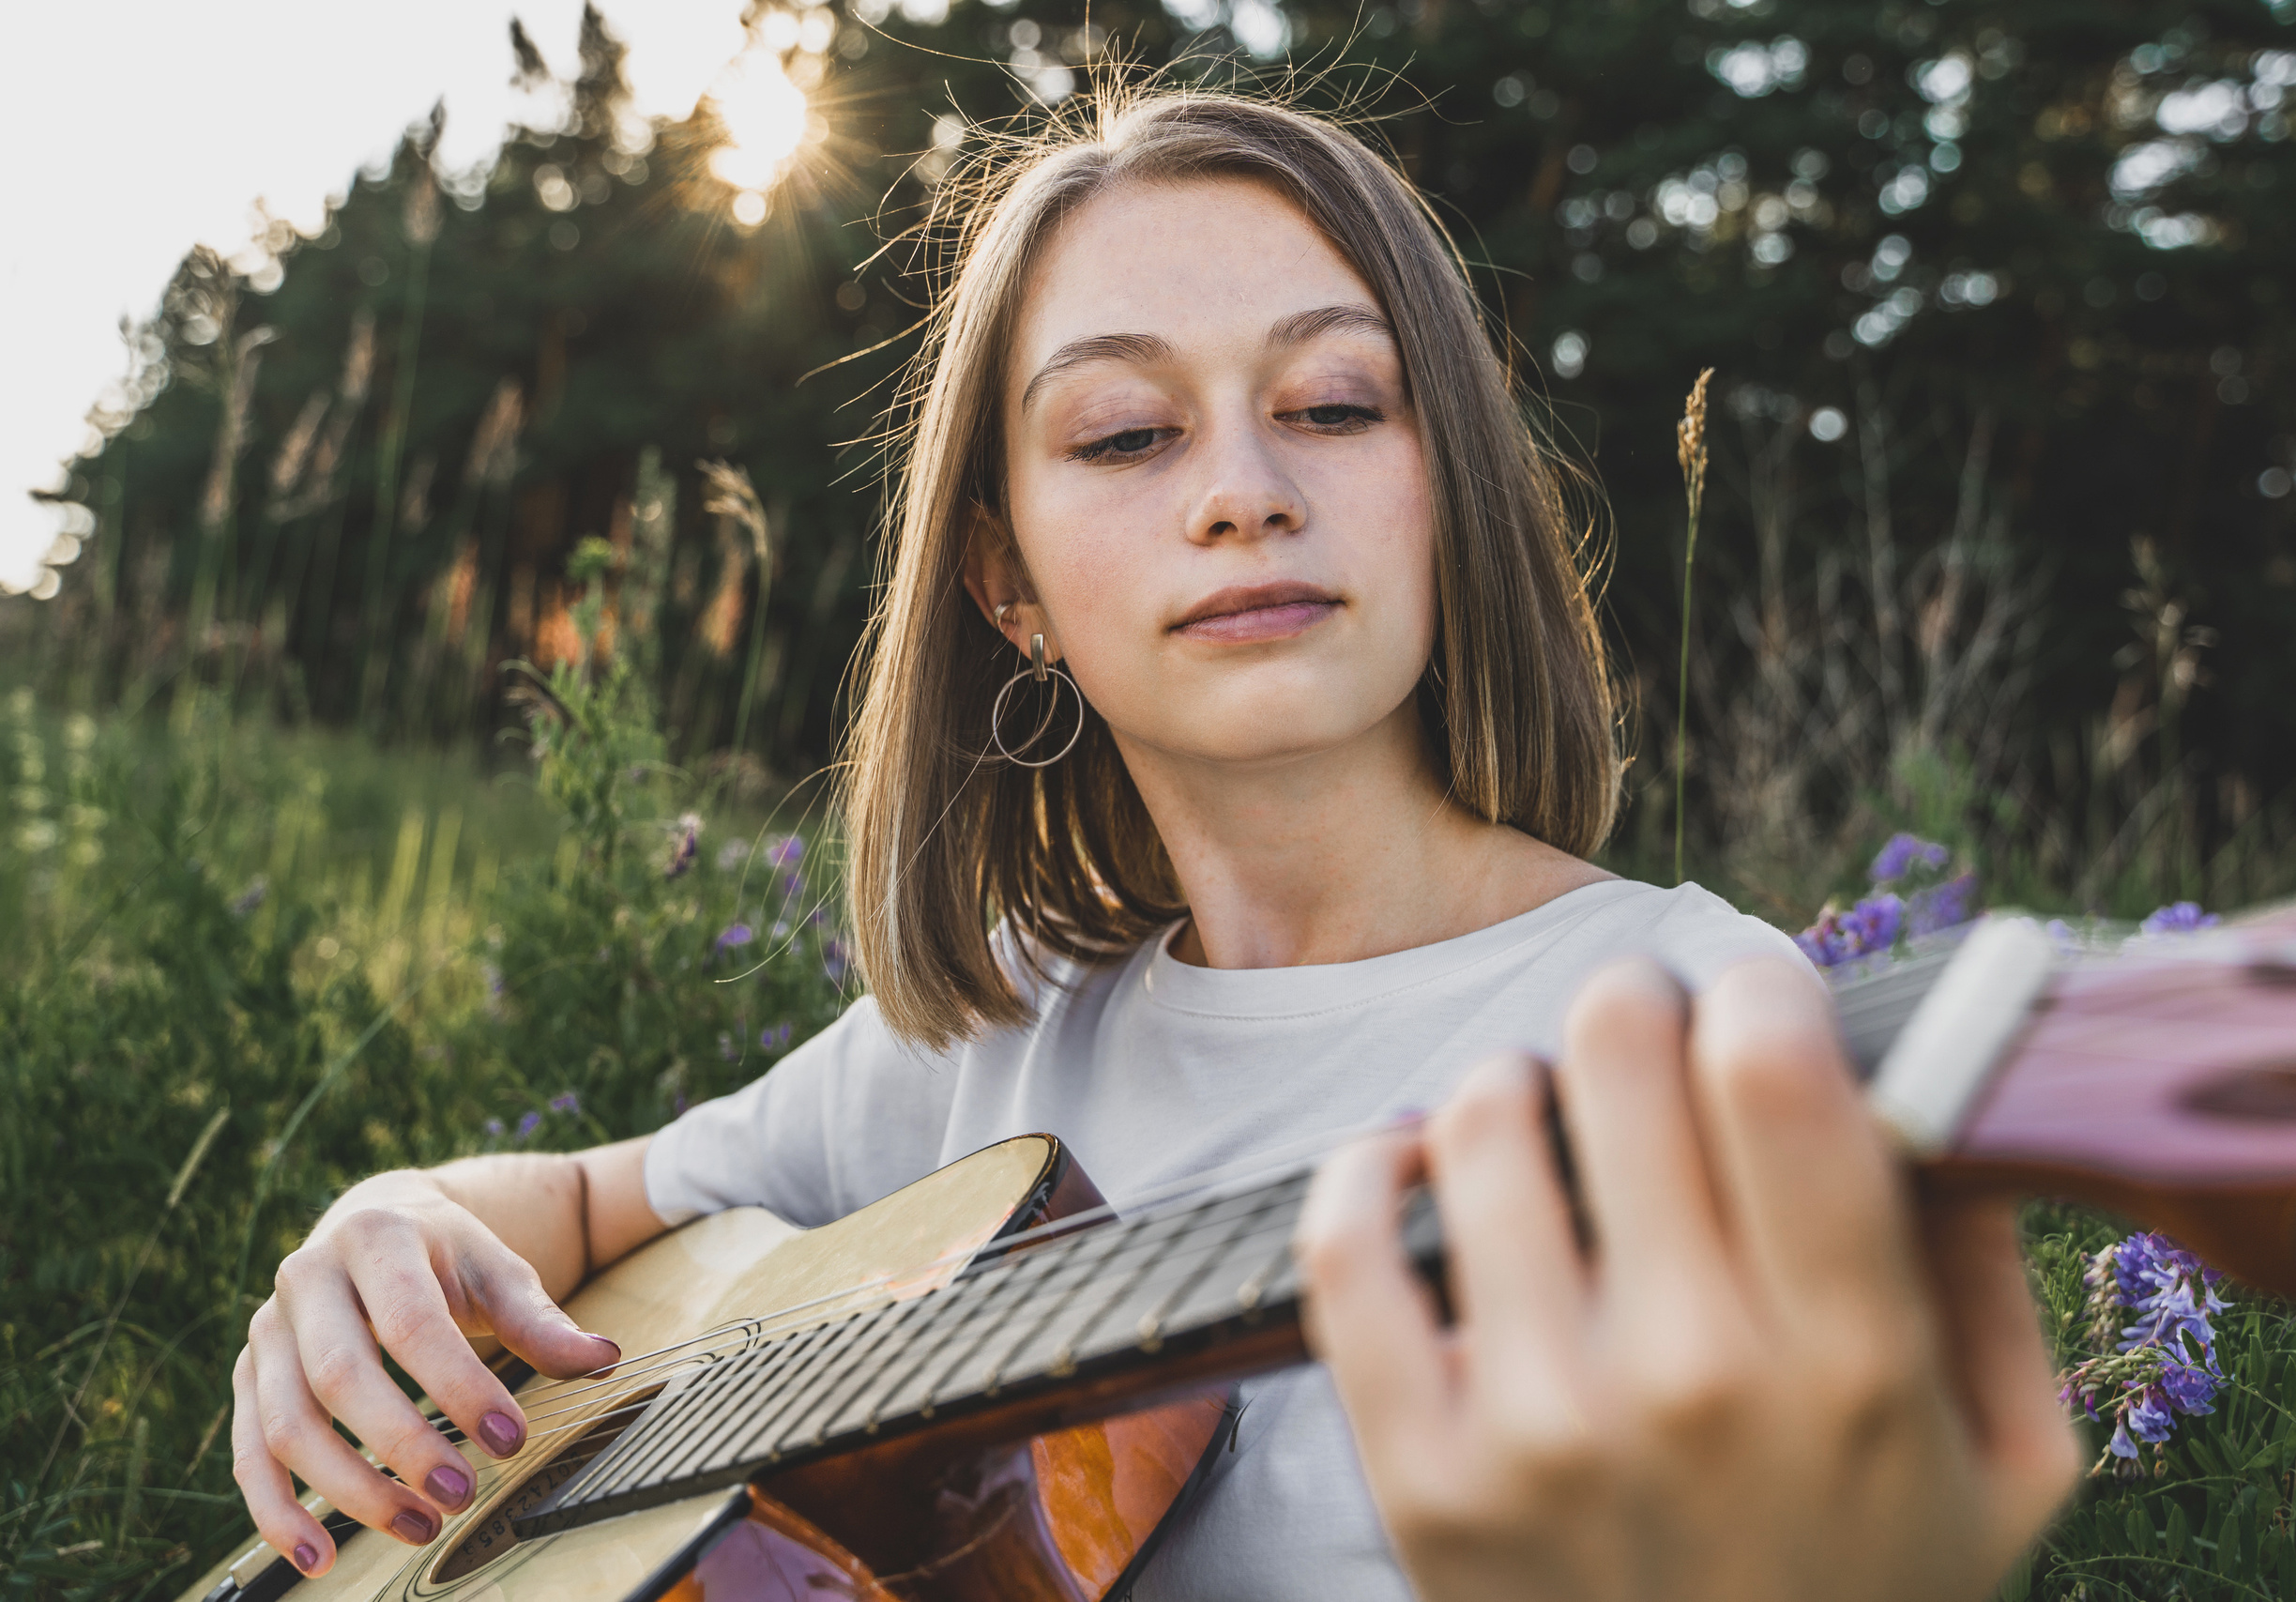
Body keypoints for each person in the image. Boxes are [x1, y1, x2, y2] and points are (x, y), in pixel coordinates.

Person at [229, 86, 2078, 1599]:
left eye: (1334, 403)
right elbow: (577, 1204)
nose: (1239, 491)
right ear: (1004, 584)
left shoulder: (1687, 1018)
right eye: (1121, 433)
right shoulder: (995, 1033)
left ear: (1450, 491)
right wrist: (384, 1222)